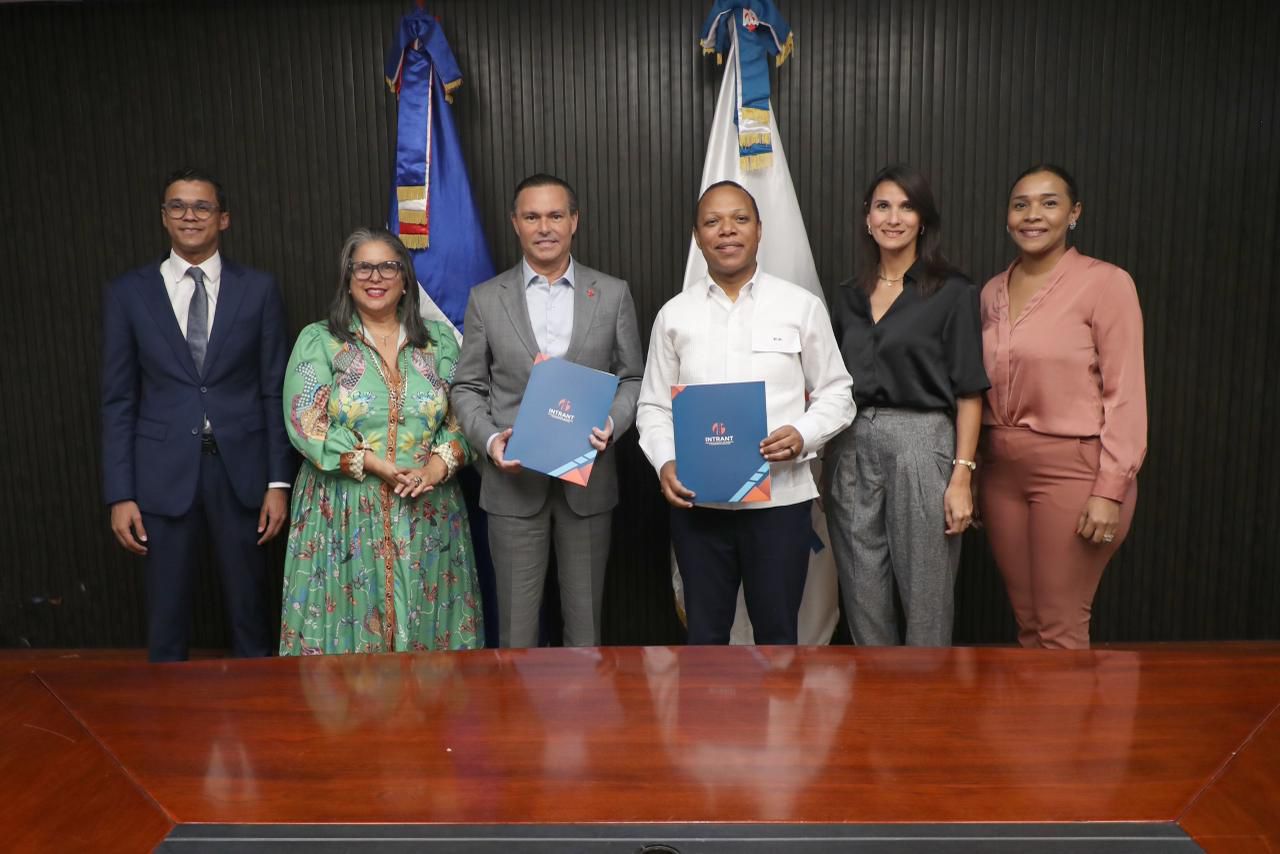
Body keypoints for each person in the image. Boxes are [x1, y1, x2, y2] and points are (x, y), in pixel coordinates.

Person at [637, 181, 854, 645]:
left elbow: (838, 393)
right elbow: (653, 405)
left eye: (739, 219)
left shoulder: (799, 307)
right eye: (712, 222)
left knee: (778, 636)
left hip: (780, 503)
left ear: (760, 230)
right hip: (700, 506)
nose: (726, 231)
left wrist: (803, 432)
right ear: (697, 237)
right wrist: (664, 461)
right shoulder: (674, 316)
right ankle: (710, 721)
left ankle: (778, 722)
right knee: (706, 640)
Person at [102, 168, 293, 662]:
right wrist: (120, 493)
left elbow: (275, 391)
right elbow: (119, 399)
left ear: (223, 219)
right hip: (161, 474)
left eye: (202, 207)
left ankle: (262, 727)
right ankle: (168, 732)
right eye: (177, 206)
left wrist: (278, 482)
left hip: (243, 473)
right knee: (166, 622)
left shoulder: (260, 289)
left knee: (251, 615)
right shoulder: (128, 293)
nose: (190, 215)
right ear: (163, 217)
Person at [450, 174, 644, 648]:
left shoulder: (613, 293)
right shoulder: (485, 298)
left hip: (589, 485)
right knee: (516, 633)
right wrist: (493, 441)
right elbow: (467, 387)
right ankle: (517, 723)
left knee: (585, 632)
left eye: (555, 215)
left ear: (574, 221)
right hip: (512, 486)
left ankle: (584, 721)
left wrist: (613, 424)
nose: (545, 227)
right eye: (532, 216)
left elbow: (634, 379)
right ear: (515, 223)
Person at [279, 228, 482, 654]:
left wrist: (436, 466)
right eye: (364, 267)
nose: (376, 276)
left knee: (431, 661)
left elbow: (467, 417)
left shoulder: (440, 342)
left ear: (405, 279)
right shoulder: (319, 340)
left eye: (388, 266)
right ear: (347, 280)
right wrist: (372, 463)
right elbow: (305, 421)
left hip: (429, 511)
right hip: (343, 515)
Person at [978, 164, 1147, 649]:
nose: (1033, 215)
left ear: (1074, 213)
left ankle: (1066, 728)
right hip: (1001, 474)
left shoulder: (1106, 284)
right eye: (1021, 204)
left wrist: (1110, 490)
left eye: (1049, 203)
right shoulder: (992, 291)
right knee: (1030, 623)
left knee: (1059, 627)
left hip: (1073, 473)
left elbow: (1126, 394)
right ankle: (1039, 726)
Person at [826, 164, 989, 647]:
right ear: (866, 219)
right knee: (860, 589)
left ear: (923, 219)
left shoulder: (953, 292)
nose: (893, 218)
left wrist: (962, 476)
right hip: (851, 443)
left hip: (923, 443)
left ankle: (926, 707)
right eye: (882, 206)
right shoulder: (846, 297)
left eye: (906, 206)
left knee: (926, 592)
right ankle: (880, 707)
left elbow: (970, 392)